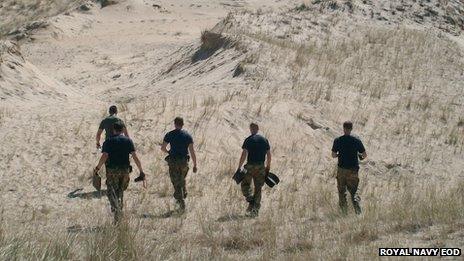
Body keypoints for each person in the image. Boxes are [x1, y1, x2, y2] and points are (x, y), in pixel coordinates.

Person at [93, 121, 145, 223]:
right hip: (125, 170)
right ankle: (118, 215)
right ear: (122, 130)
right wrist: (141, 171)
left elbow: (104, 156)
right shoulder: (128, 141)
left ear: (113, 130)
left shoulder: (108, 141)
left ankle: (116, 210)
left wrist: (97, 168)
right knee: (120, 191)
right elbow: (135, 157)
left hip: (112, 170)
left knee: (111, 192)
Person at [161, 117, 197, 213]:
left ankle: (181, 202)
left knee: (175, 182)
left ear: (175, 124)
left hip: (173, 161)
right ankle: (183, 194)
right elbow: (192, 151)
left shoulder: (170, 134)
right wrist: (195, 164)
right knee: (182, 179)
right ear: (183, 124)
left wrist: (169, 152)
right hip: (184, 161)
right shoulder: (187, 136)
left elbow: (163, 148)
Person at [331, 121, 367, 215]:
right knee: (354, 192)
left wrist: (339, 154)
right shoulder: (356, 140)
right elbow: (364, 155)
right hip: (353, 170)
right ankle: (358, 212)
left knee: (342, 192)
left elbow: (333, 155)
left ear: (343, 128)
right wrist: (360, 156)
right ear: (351, 129)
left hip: (342, 169)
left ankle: (344, 213)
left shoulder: (338, 140)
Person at [237, 123, 271, 217]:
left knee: (245, 184)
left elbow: (244, 155)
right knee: (258, 188)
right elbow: (268, 155)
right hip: (261, 167)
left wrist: (239, 167)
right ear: (258, 129)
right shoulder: (265, 140)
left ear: (251, 129)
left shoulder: (248, 140)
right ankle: (255, 211)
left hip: (250, 167)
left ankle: (250, 200)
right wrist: (268, 167)